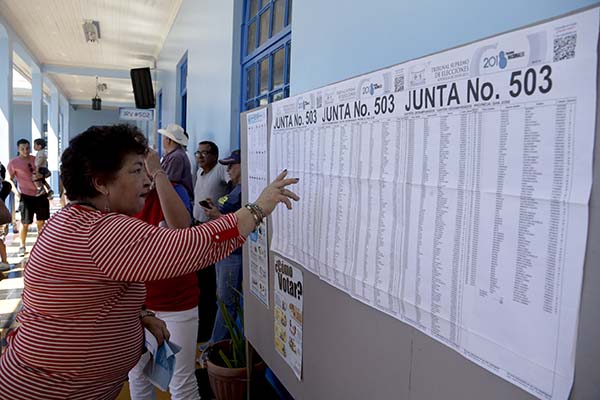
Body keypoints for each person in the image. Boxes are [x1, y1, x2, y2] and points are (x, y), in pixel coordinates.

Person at [0, 124, 299, 400]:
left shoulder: (70, 220)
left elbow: (83, 297)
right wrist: (259, 208)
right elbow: (190, 247)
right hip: (48, 390)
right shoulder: (100, 231)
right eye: (135, 171)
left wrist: (138, 315)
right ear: (101, 183)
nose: (147, 179)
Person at [128, 139, 200, 399]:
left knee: (181, 380)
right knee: (138, 375)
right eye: (132, 168)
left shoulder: (169, 189)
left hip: (177, 303)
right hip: (135, 305)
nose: (140, 174)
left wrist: (158, 174)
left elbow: (182, 228)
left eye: (142, 164)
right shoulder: (115, 201)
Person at [202, 150, 243, 346]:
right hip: (222, 249)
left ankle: (216, 345)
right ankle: (216, 342)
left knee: (227, 303)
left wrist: (218, 217)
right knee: (221, 300)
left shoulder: (246, 191)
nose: (227, 169)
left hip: (234, 254)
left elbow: (243, 223)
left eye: (231, 165)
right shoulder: (232, 187)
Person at [192, 140, 230, 342]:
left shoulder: (220, 170)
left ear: (214, 155)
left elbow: (234, 187)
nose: (200, 156)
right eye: (198, 153)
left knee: (209, 284)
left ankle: (208, 332)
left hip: (213, 230)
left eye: (204, 153)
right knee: (201, 281)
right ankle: (202, 327)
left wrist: (222, 207)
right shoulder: (199, 172)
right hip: (198, 226)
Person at [7, 138, 50, 256]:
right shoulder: (13, 163)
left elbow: (46, 172)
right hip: (26, 196)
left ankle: (40, 246)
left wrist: (44, 173)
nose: (25, 151)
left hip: (41, 195)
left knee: (41, 222)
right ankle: (22, 246)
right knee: (25, 223)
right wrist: (16, 192)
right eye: (22, 149)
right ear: (18, 149)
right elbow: (9, 179)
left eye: (27, 148)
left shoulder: (36, 159)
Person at [158, 123, 194, 200]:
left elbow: (169, 181)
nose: (163, 141)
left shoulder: (176, 157)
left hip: (178, 198)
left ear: (168, 140)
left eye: (164, 138)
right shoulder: (174, 155)